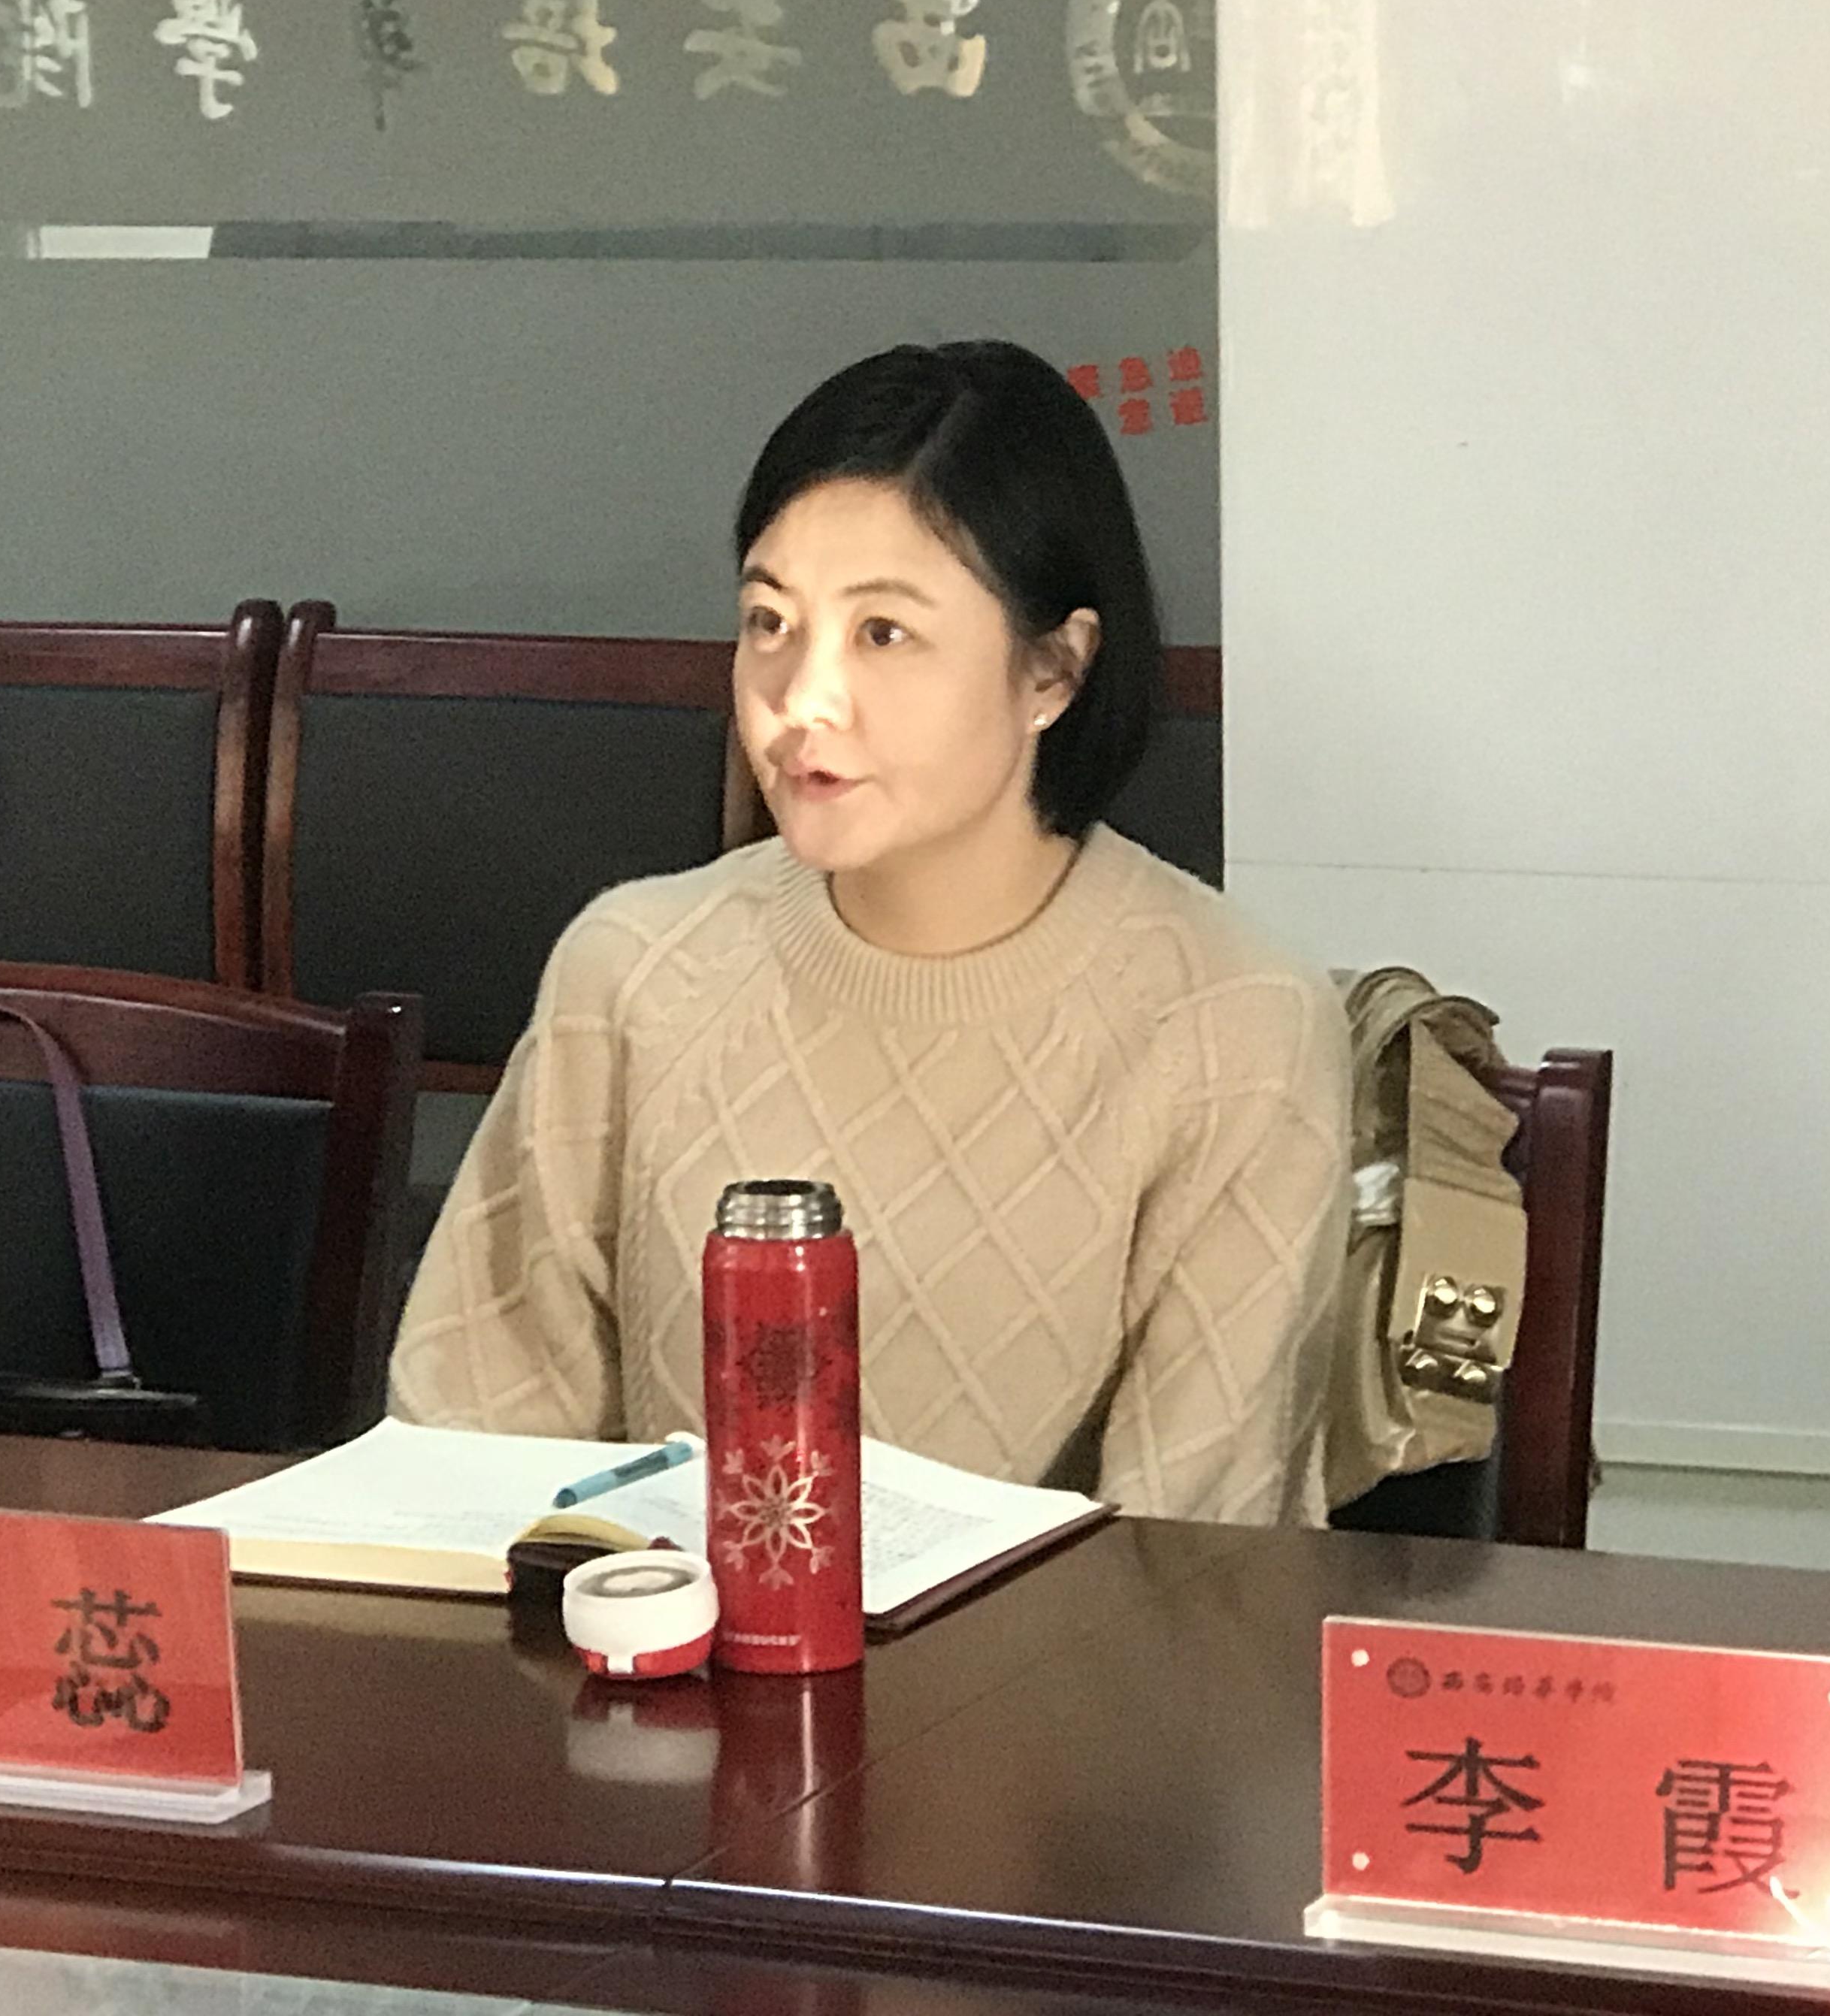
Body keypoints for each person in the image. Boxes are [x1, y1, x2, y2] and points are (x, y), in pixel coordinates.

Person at [390, 340, 1349, 1522]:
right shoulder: (633, 970)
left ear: (1053, 671)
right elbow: (465, 1460)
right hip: (650, 1640)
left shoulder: (1238, 1025)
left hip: (1063, 1650)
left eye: (884, 634)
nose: (802, 700)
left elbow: (1192, 1558)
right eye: (769, 621)